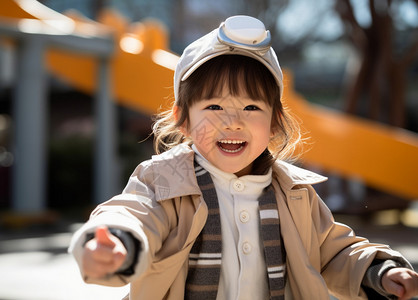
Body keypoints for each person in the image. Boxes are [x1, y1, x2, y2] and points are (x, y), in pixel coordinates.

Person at [69, 15, 418, 300]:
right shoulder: (162, 180)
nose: (232, 121)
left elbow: (334, 252)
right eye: (214, 106)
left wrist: (380, 272)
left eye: (251, 107)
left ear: (274, 122)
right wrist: (118, 239)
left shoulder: (294, 194)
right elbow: (135, 213)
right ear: (183, 119)